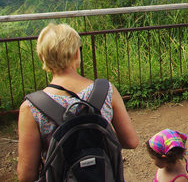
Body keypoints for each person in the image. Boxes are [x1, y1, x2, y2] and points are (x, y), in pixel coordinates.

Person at [17, 23, 139, 182]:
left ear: (43, 57)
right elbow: (131, 141)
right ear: (76, 53)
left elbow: (26, 175)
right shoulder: (106, 91)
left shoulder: (31, 108)